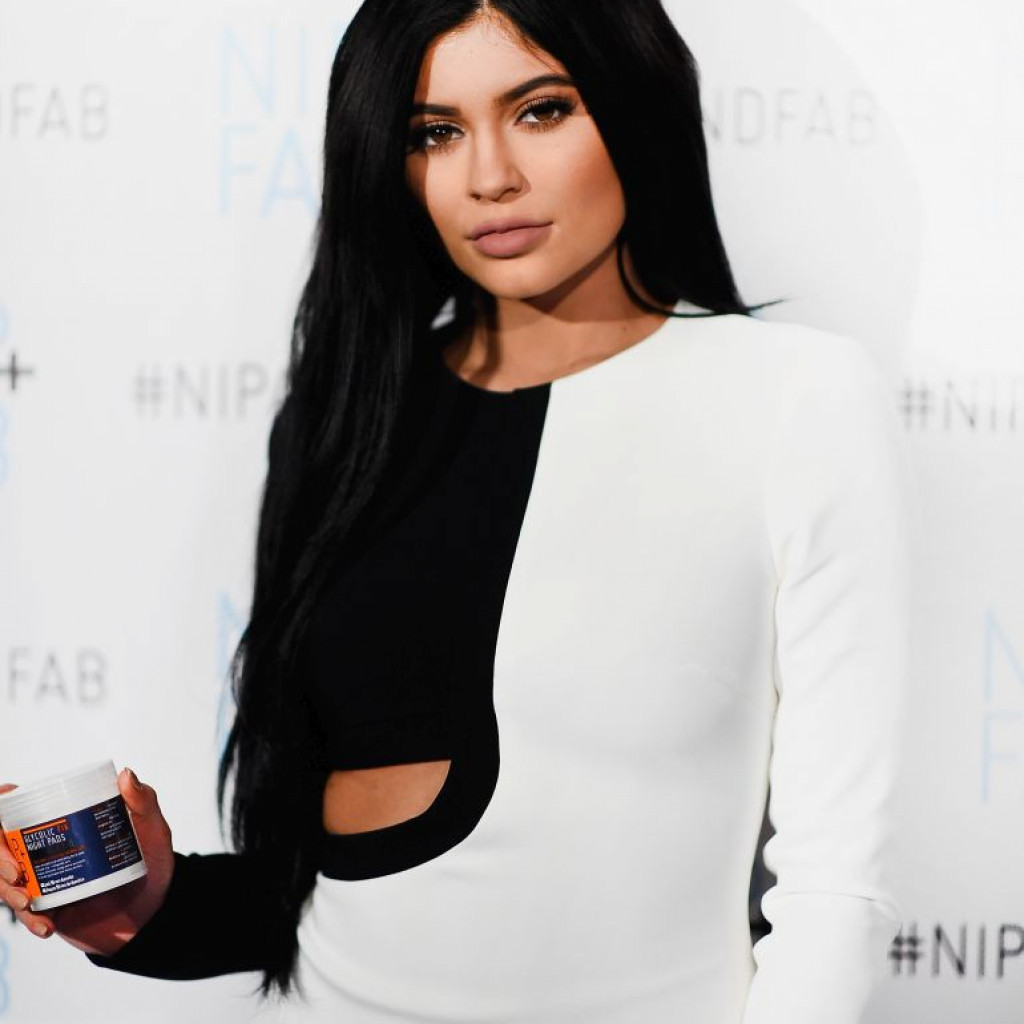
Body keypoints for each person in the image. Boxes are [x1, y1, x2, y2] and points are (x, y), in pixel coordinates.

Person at [0, 1, 916, 1021]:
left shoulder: (796, 398)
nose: (489, 176)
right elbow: (311, 889)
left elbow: (834, 888)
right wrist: (144, 904)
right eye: (434, 132)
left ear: (637, 103)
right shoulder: (345, 415)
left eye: (542, 110)